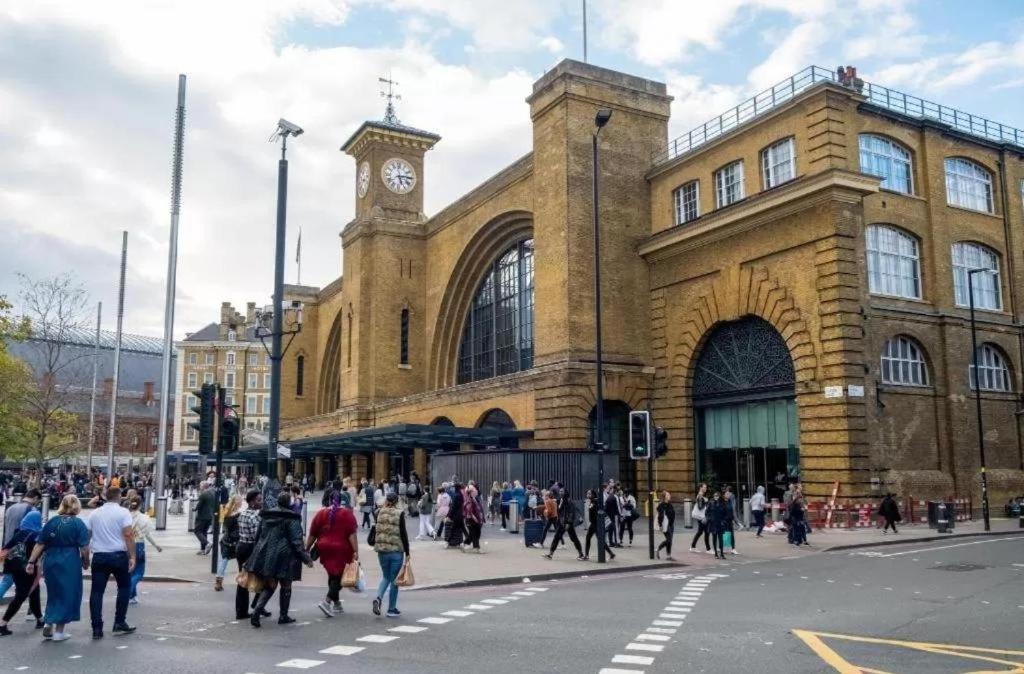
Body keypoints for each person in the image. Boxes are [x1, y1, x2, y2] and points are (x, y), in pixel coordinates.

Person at [246, 492, 313, 628]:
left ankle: (257, 612)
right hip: (284, 555)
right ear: (288, 503)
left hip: (266, 554)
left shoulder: (266, 515)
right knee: (286, 584)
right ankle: (283, 615)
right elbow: (296, 541)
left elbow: (258, 537)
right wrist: (306, 558)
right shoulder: (292, 518)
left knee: (270, 584)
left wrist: (255, 554)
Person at [29, 495, 91, 641]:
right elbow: (84, 548)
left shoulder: (52, 521)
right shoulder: (78, 523)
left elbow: (40, 544)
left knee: (54, 592)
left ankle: (48, 621)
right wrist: (86, 561)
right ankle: (59, 631)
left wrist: (31, 562)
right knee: (67, 594)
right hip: (69, 560)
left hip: (51, 559)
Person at [86, 486, 137, 638]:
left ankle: (96, 628)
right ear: (119, 496)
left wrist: (85, 555)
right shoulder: (123, 512)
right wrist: (133, 556)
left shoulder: (94, 513)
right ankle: (119, 622)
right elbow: (128, 535)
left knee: (96, 592)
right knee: (124, 588)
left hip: (99, 555)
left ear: (105, 496)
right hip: (118, 555)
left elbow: (88, 535)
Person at [308, 491, 358, 618]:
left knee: (333, 575)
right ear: (341, 500)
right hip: (341, 549)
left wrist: (306, 548)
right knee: (339, 578)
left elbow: (312, 534)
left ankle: (337, 604)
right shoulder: (347, 514)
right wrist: (356, 551)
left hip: (324, 548)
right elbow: (352, 535)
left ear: (328, 499)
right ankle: (327, 601)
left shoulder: (321, 513)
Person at [0, 510, 44, 636]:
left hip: (12, 567)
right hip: (27, 568)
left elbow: (5, 549)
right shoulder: (36, 535)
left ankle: (40, 619)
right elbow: (38, 554)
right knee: (22, 595)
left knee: (34, 592)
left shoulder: (19, 532)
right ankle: (3, 624)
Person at [372, 492, 410, 618]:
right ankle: (391, 609)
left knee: (386, 576)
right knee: (394, 580)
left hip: (382, 550)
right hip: (396, 551)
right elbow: (403, 534)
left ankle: (378, 598)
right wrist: (408, 552)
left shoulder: (379, 512)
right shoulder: (400, 513)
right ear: (397, 501)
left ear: (386, 500)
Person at [0, 488, 40, 600]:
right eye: (38, 501)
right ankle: (32, 610)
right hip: (22, 550)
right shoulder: (32, 510)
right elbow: (31, 533)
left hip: (9, 548)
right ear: (35, 498)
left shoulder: (10, 508)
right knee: (16, 580)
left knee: (10, 579)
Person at [235, 490, 264, 620]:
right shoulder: (254, 517)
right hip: (250, 548)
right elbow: (257, 537)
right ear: (252, 502)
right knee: (263, 577)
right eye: (258, 500)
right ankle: (257, 606)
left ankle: (241, 610)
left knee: (243, 580)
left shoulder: (242, 514)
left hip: (241, 546)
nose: (261, 502)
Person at [128, 497, 162, 604]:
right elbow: (147, 534)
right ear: (140, 505)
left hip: (128, 545)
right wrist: (156, 545)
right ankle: (128, 592)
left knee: (131, 572)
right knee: (139, 572)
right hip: (139, 545)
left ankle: (132, 597)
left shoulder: (125, 517)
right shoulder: (144, 518)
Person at [543, 488, 584, 560]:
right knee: (557, 537)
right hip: (562, 522)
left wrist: (568, 523)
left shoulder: (568, 501)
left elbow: (571, 513)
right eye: (560, 491)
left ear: (565, 493)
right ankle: (550, 554)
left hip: (567, 523)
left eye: (562, 491)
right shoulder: (562, 500)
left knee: (573, 538)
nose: (560, 492)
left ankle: (581, 554)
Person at [215, 495, 243, 592]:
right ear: (238, 503)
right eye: (241, 502)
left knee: (223, 561)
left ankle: (218, 582)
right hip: (236, 541)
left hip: (226, 540)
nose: (242, 503)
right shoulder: (238, 515)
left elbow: (223, 525)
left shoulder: (225, 512)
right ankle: (243, 581)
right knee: (242, 561)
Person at [583, 489, 615, 560]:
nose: (588, 495)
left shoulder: (595, 502)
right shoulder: (592, 501)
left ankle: (586, 555)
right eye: (587, 493)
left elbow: (597, 512)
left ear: (593, 495)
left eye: (589, 494)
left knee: (597, 539)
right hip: (594, 524)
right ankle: (611, 553)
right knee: (595, 539)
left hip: (596, 524)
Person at [194, 481, 217, 555]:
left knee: (197, 531)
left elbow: (199, 506)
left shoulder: (203, 494)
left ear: (203, 486)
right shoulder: (213, 493)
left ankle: (207, 543)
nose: (199, 487)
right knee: (204, 532)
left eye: (200, 485)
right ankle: (203, 550)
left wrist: (194, 509)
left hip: (202, 516)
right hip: (210, 516)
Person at [689, 484, 711, 554]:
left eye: (706, 487)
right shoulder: (700, 496)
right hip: (701, 517)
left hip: (701, 517)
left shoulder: (701, 495)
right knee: (706, 532)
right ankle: (708, 549)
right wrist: (706, 501)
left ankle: (693, 547)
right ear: (701, 488)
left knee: (700, 532)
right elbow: (700, 507)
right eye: (704, 487)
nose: (706, 488)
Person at [706, 491, 728, 559]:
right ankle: (716, 553)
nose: (716, 497)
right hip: (713, 523)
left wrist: (723, 521)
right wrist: (709, 519)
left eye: (717, 496)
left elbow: (725, 513)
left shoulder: (722, 503)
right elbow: (707, 512)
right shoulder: (711, 503)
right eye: (715, 496)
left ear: (719, 496)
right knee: (714, 538)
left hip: (720, 523)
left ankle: (721, 553)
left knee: (721, 539)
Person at [463, 485, 484, 553]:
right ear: (471, 492)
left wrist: (481, 517)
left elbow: (479, 509)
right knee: (475, 533)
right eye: (475, 490)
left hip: (475, 519)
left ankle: (466, 543)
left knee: (475, 533)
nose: (476, 491)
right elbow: (469, 510)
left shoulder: (474, 498)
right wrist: (474, 518)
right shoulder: (470, 499)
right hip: (471, 520)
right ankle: (476, 548)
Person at [655, 490, 675, 560]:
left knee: (670, 540)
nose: (670, 496)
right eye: (668, 495)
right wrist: (660, 525)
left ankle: (668, 556)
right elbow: (660, 516)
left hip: (671, 524)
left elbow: (672, 514)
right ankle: (658, 548)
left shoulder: (670, 504)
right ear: (665, 497)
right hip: (665, 525)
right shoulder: (661, 505)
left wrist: (672, 523)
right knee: (669, 539)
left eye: (669, 495)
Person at [446, 483, 465, 548]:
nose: (453, 489)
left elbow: (453, 507)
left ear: (456, 488)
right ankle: (463, 542)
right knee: (462, 529)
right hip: (461, 514)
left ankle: (448, 542)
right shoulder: (461, 495)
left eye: (454, 488)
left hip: (456, 515)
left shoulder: (456, 495)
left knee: (453, 529)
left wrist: (449, 516)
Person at [722, 486, 739, 554]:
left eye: (729, 493)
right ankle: (724, 548)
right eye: (727, 493)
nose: (728, 494)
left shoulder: (730, 501)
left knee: (731, 534)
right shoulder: (722, 502)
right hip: (724, 520)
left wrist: (734, 520)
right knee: (725, 534)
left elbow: (733, 510)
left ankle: (733, 548)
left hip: (729, 520)